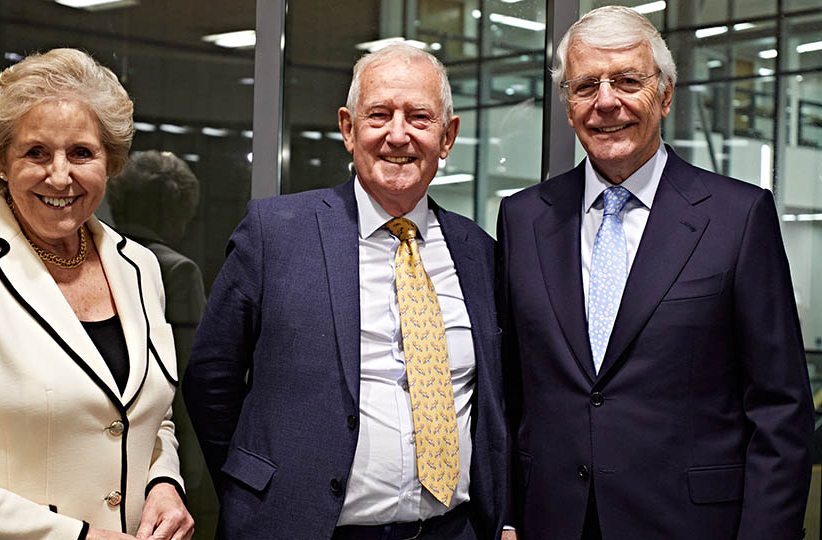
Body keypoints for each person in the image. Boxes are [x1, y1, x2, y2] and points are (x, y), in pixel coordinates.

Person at [495, 6, 814, 540]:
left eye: (626, 81)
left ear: (664, 95)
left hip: (691, 524)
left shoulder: (737, 217)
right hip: (551, 521)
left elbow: (780, 411)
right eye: (585, 86)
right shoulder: (524, 218)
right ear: (569, 107)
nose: (606, 102)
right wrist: (505, 513)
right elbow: (509, 391)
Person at [183, 43, 515, 540]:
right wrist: (257, 485)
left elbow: (500, 400)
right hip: (301, 528)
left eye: (419, 117)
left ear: (447, 137)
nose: (397, 134)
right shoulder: (276, 233)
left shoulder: (480, 253)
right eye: (379, 114)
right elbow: (212, 378)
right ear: (347, 128)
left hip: (454, 530)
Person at [0, 48, 194, 540]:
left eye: (82, 153)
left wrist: (165, 482)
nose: (60, 175)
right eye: (36, 153)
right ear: (1, 161)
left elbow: (148, 415)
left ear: (109, 163)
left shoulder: (139, 267)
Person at [108, 150, 216, 535]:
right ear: (178, 214)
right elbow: (192, 373)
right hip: (165, 446)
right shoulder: (177, 270)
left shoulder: (103, 259)